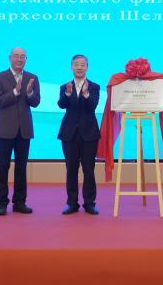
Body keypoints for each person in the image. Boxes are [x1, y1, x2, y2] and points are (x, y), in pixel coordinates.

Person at [0, 47, 40, 216]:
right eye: (16, 56)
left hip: (24, 130)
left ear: (26, 59)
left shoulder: (32, 78)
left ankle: (19, 202)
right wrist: (15, 92)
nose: (19, 59)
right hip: (4, 130)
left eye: (22, 57)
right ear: (9, 58)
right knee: (2, 167)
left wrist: (29, 93)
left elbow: (36, 102)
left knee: (21, 167)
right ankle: (2, 203)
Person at [57, 55, 101, 215]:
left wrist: (87, 94)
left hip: (89, 134)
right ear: (71, 67)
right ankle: (72, 203)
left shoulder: (94, 87)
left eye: (82, 65)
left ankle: (89, 203)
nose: (79, 67)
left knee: (89, 169)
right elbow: (61, 104)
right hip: (69, 133)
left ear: (87, 67)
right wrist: (68, 94)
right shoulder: (65, 86)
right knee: (71, 169)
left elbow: (92, 106)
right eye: (76, 65)